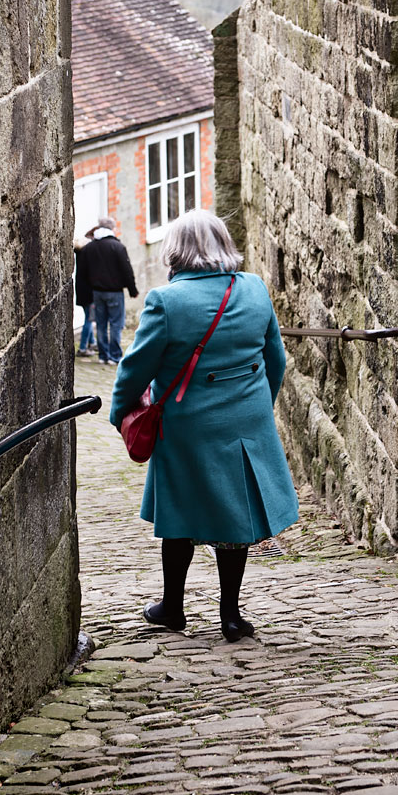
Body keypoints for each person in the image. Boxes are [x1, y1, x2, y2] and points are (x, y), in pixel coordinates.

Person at [109, 209, 299, 642]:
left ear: (176, 251)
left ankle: (172, 608)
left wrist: (121, 414)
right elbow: (277, 360)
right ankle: (231, 616)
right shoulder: (255, 289)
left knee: (181, 515)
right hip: (246, 422)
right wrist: (257, 409)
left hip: (188, 426)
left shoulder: (167, 301)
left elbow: (135, 370)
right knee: (236, 520)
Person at [79, 217, 138, 364]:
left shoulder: (89, 248)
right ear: (111, 229)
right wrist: (132, 289)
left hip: (97, 293)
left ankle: (103, 355)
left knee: (101, 324)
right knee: (116, 324)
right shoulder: (117, 247)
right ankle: (115, 356)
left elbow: (83, 272)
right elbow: (126, 270)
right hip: (115, 292)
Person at [73, 234, 96, 356]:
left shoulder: (80, 256)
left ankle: (92, 342)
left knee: (88, 316)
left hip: (81, 292)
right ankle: (82, 348)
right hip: (89, 293)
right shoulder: (89, 258)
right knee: (89, 319)